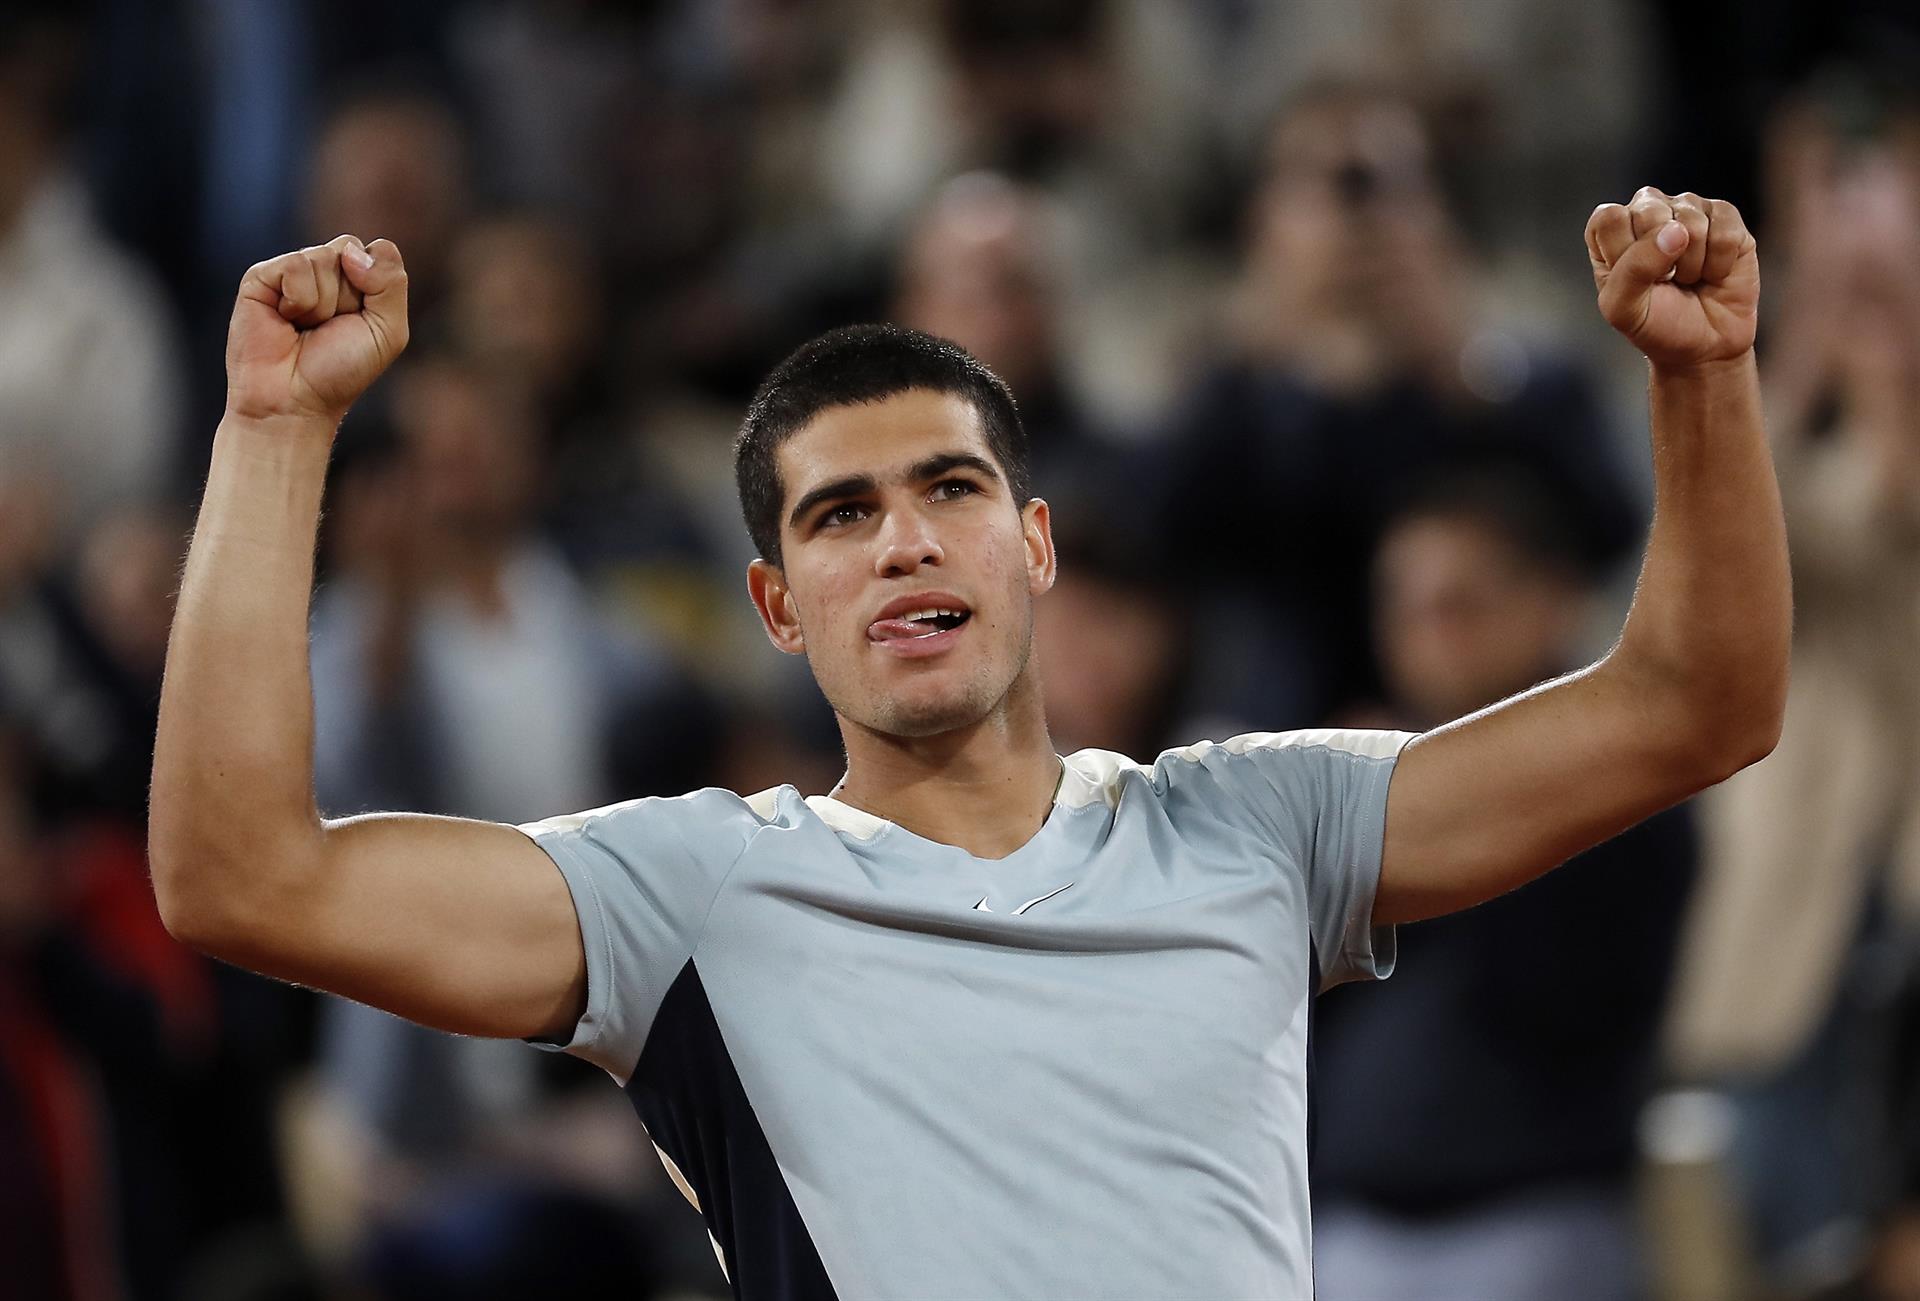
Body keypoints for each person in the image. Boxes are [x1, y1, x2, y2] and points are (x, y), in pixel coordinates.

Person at [150, 187, 1787, 1295]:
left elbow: (1695, 703)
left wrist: (1701, 386)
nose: (906, 542)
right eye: (841, 516)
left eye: (951, 489)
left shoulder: (1256, 822)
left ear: (1039, 545)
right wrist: (274, 431)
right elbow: (241, 877)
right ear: (780, 608)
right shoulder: (691, 892)